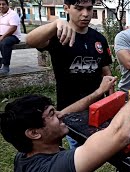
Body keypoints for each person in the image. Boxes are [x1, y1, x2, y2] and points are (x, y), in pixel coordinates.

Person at [0, 67, 130, 172]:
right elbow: (122, 133)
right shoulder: (53, 171)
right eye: (52, 114)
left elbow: (65, 112)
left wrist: (98, 92)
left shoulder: (24, 155)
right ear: (34, 133)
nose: (60, 115)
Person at [26, 0, 113, 149]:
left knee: (101, 148)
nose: (85, 14)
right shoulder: (59, 35)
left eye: (89, 8)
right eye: (79, 8)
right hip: (69, 110)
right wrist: (55, 24)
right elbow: (30, 41)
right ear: (66, 8)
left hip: (96, 107)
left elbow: (105, 71)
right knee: (78, 153)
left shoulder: (99, 39)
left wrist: (111, 99)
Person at [0, 0, 21, 75]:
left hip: (13, 36)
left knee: (4, 43)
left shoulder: (13, 14)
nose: (1, 6)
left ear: (7, 5)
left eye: (3, 4)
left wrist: (2, 37)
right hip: (1, 35)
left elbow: (13, 28)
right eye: (0, 4)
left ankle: (6, 66)